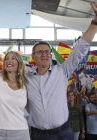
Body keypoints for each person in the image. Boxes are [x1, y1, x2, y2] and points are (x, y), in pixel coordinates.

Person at [25, 2, 97, 140]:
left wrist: (95, 22)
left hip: (64, 133)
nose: (44, 54)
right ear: (33, 56)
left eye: (47, 51)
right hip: (38, 135)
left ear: (51, 55)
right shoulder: (27, 78)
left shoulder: (62, 71)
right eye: (40, 52)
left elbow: (80, 49)